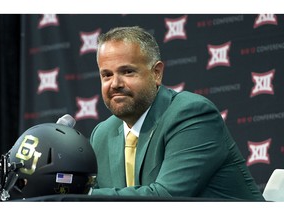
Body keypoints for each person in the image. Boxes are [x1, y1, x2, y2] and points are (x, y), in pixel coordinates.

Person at [89, 26, 265, 201]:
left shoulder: (191, 114)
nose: (115, 83)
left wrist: (82, 197)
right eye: (106, 75)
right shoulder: (102, 134)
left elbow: (166, 198)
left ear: (156, 73)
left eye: (127, 71)